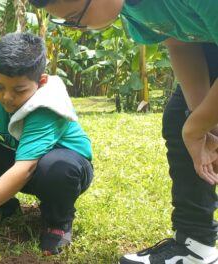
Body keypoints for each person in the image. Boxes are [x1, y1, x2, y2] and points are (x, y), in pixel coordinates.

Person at [28, 0, 218, 262]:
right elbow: (180, 42)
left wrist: (196, 128)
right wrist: (205, 125)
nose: (79, 28)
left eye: (76, 16)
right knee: (180, 118)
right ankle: (196, 246)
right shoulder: (132, 8)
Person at [0, 32, 94, 256]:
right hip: (18, 161)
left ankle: (57, 221)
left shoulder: (47, 106)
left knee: (58, 169)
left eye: (19, 90)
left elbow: (25, 168)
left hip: (58, 168)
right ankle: (3, 208)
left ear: (41, 82)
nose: (7, 97)